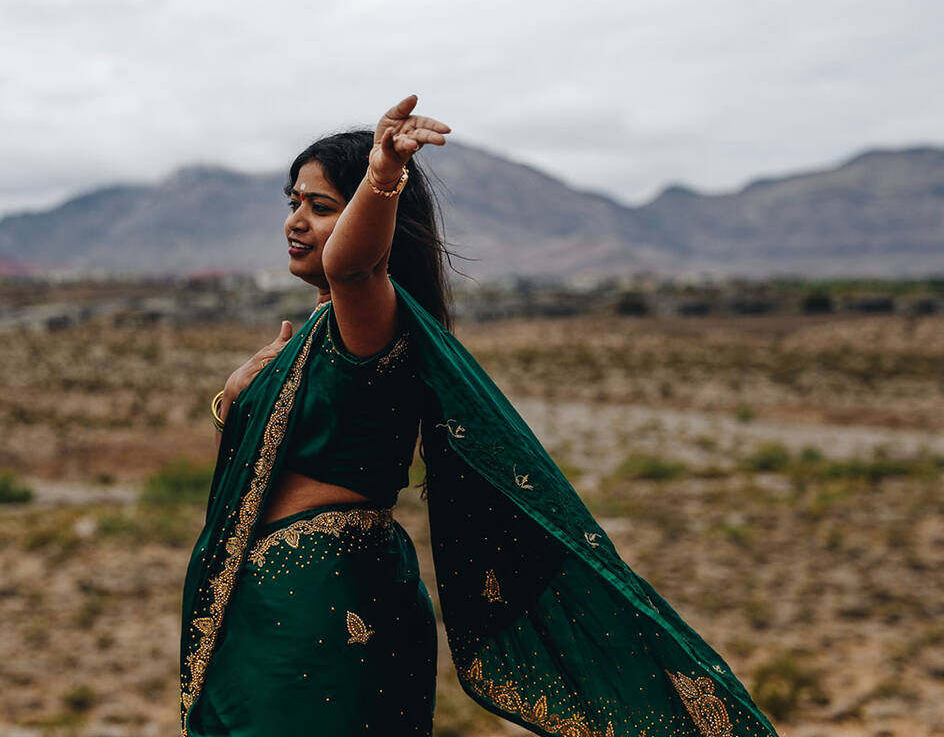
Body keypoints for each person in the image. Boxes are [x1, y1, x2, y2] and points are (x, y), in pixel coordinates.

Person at [180, 96, 778, 737]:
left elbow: (349, 265)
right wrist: (236, 396)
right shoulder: (315, 333)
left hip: (322, 603)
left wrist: (382, 178)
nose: (297, 221)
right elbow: (286, 452)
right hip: (269, 598)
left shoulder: (368, 315)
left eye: (321, 207)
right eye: (293, 202)